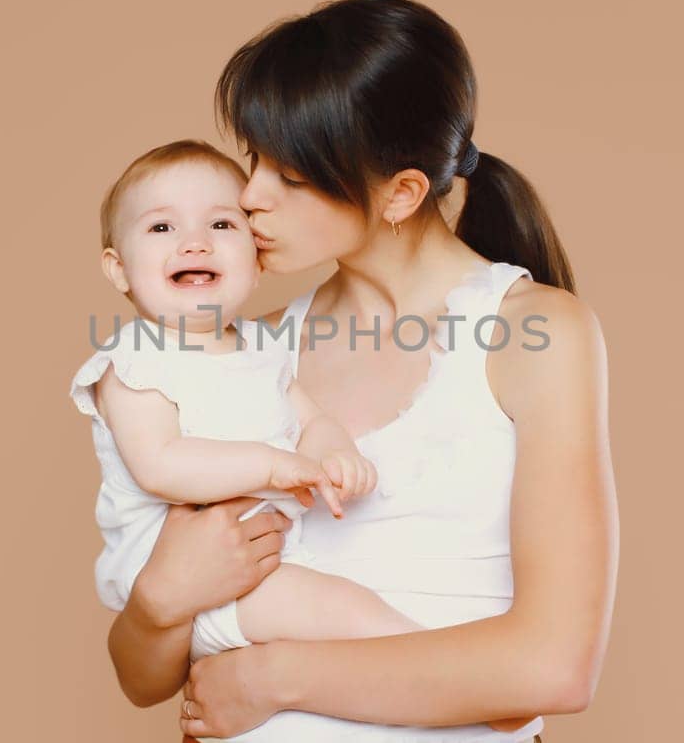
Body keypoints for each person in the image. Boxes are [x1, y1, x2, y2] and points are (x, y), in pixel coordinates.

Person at [105, 0, 619, 742]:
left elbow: (554, 667)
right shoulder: (253, 349)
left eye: (293, 176)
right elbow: (142, 679)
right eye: (254, 160)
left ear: (401, 192)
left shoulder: (533, 332)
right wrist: (157, 600)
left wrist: (271, 678)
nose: (249, 198)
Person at [71, 139, 428, 663]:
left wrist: (335, 453)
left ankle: (449, 672)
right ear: (119, 268)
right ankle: (458, 670)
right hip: (187, 584)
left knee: (349, 609)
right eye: (161, 228)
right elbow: (160, 465)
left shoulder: (261, 345)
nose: (195, 244)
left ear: (256, 261)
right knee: (346, 611)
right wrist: (274, 467)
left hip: (264, 563)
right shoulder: (132, 360)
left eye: (221, 225)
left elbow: (311, 418)